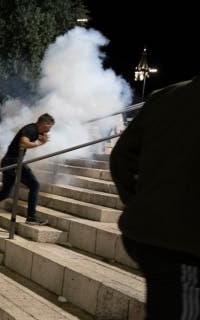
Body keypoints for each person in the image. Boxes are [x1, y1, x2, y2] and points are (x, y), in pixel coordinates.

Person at [110, 76, 200, 318]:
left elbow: (120, 158)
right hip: (180, 245)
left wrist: (139, 203)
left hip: (153, 233)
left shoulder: (166, 95)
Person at [0, 113, 54, 227]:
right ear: (43, 123)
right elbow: (23, 142)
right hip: (14, 162)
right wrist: (39, 143)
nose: (49, 130)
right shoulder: (31, 129)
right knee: (34, 185)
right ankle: (31, 217)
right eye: (49, 127)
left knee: (6, 192)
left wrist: (42, 139)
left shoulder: (36, 131)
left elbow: (35, 139)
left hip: (9, 161)